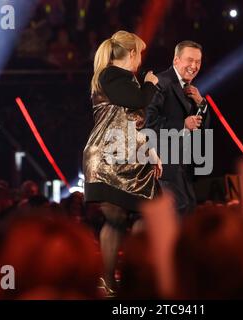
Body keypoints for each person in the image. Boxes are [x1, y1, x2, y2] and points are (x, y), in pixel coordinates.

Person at [82, 30, 162, 294]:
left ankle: (129, 276)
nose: (141, 60)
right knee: (118, 219)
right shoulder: (112, 75)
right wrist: (151, 83)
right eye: (139, 53)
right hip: (110, 161)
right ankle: (109, 281)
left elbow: (134, 125)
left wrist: (151, 154)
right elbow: (138, 101)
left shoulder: (126, 81)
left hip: (128, 159)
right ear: (131, 53)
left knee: (144, 214)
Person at [146, 40, 210, 215]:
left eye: (198, 61)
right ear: (176, 60)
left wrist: (201, 103)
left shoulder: (189, 88)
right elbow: (148, 122)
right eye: (190, 60)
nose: (194, 66)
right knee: (180, 212)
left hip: (184, 163)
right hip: (165, 163)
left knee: (189, 209)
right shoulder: (161, 82)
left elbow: (203, 127)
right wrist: (182, 125)